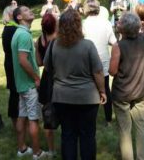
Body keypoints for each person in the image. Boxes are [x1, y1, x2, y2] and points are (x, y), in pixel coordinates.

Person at [44, 9, 106, 160]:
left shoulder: (54, 45)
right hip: (87, 98)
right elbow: (98, 72)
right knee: (87, 136)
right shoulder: (88, 45)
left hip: (62, 97)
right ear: (78, 25)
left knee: (68, 135)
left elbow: (47, 67)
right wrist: (102, 91)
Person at [109, 12, 144, 160]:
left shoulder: (118, 46)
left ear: (124, 28)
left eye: (119, 22)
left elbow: (112, 71)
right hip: (141, 90)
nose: (117, 24)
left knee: (125, 130)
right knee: (141, 126)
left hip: (122, 93)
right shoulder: (143, 40)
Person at [11, 6, 48, 159]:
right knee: (33, 119)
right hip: (29, 85)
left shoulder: (19, 33)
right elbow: (23, 61)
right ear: (19, 17)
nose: (30, 11)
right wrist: (36, 78)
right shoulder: (24, 35)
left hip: (21, 84)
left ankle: (22, 149)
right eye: (25, 10)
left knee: (22, 115)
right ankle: (37, 152)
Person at [81, 0, 117, 125]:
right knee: (105, 88)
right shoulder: (106, 23)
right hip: (103, 61)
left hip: (88, 62)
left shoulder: (84, 24)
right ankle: (108, 119)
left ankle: (90, 119)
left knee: (89, 90)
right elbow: (114, 42)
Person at [35, 14, 58, 155]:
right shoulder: (60, 40)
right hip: (59, 77)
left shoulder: (39, 41)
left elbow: (39, 63)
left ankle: (51, 150)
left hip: (46, 80)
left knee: (48, 116)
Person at [1, 5, 20, 127]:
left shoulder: (11, 29)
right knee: (15, 93)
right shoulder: (11, 30)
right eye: (15, 12)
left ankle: (17, 121)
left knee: (15, 93)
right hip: (14, 64)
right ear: (9, 15)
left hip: (11, 63)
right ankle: (16, 121)